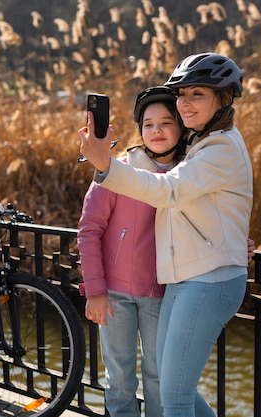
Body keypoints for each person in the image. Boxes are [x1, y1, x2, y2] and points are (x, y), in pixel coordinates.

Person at [78, 52, 253, 417]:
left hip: (207, 281)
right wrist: (233, 241)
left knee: (172, 397)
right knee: (178, 393)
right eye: (183, 95)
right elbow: (192, 210)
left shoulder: (219, 148)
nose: (186, 103)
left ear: (223, 99)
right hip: (185, 280)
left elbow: (169, 192)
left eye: (198, 95)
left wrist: (105, 166)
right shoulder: (198, 146)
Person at [78, 86, 188, 417]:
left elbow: (209, 224)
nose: (156, 131)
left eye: (166, 123)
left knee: (159, 378)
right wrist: (95, 292)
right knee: (120, 379)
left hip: (162, 294)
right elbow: (89, 230)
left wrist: (237, 244)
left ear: (181, 128)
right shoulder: (116, 170)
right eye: (148, 124)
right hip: (113, 296)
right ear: (139, 129)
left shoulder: (190, 174)